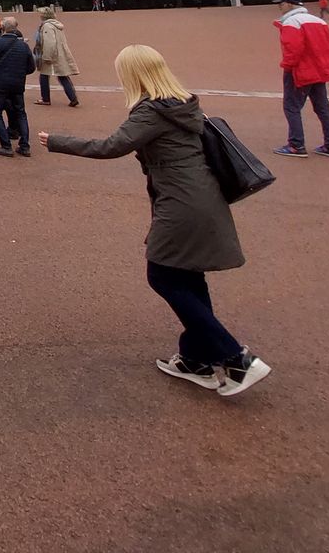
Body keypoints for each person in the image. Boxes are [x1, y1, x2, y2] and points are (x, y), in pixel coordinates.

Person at [40, 45, 271, 397]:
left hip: (181, 202)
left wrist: (58, 141)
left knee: (162, 275)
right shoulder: (181, 103)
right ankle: (197, 359)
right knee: (188, 276)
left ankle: (236, 358)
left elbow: (110, 147)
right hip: (201, 196)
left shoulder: (151, 111)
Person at [271, 0, 329, 158]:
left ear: (289, 4)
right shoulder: (319, 21)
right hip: (319, 69)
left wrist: (288, 65)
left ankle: (296, 145)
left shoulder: (291, 22)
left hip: (300, 70)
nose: (280, 7)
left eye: (281, 4)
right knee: (323, 108)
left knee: (291, 107)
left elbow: (293, 47)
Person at [0, 16, 36, 156]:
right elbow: (31, 67)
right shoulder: (23, 45)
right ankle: (25, 145)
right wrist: (19, 73)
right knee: (21, 113)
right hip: (17, 84)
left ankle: (6, 145)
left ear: (3, 28)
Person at [32, 6, 81, 108]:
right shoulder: (56, 25)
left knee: (44, 76)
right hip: (59, 53)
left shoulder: (47, 26)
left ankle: (45, 98)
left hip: (52, 55)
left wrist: (47, 57)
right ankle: (73, 97)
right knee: (62, 76)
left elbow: (50, 43)